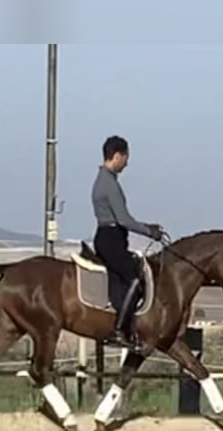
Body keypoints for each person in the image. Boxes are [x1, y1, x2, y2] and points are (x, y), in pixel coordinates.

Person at [91, 135, 165, 349]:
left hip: (110, 237)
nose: (127, 162)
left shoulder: (105, 179)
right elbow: (124, 220)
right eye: (125, 157)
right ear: (116, 156)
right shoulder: (109, 184)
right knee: (135, 278)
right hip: (111, 239)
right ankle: (119, 330)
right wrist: (149, 232)